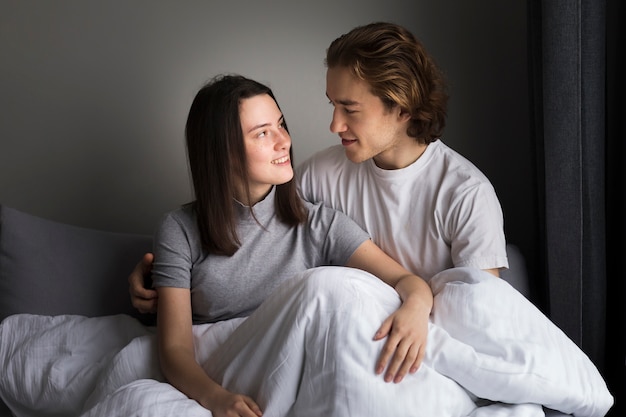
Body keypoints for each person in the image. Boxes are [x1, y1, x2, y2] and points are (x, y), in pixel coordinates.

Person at [130, 21, 508, 308]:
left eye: (350, 109)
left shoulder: (466, 194)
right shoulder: (320, 174)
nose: (334, 125)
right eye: (333, 104)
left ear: (401, 107)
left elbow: (477, 315)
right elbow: (248, 234)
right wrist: (158, 279)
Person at [151, 74, 433, 416]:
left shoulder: (319, 224)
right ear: (221, 152)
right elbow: (175, 349)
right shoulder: (178, 230)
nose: (283, 141)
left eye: (281, 125)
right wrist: (216, 398)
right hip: (223, 376)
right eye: (262, 133)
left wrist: (416, 307)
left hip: (298, 375)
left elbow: (408, 282)